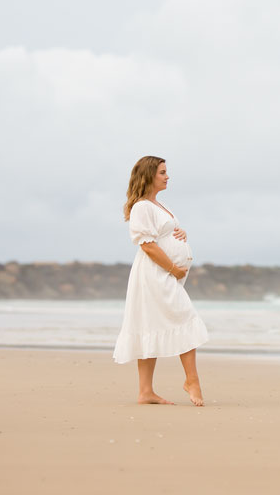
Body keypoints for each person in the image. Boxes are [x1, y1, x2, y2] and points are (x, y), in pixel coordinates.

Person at [113, 155, 208, 406]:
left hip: (164, 274)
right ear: (149, 176)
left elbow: (163, 234)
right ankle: (192, 380)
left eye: (167, 172)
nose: (168, 176)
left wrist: (181, 233)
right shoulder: (142, 206)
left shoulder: (158, 205)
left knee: (150, 325)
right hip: (156, 273)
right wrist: (174, 269)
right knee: (184, 316)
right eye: (162, 172)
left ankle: (146, 392)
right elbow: (148, 245)